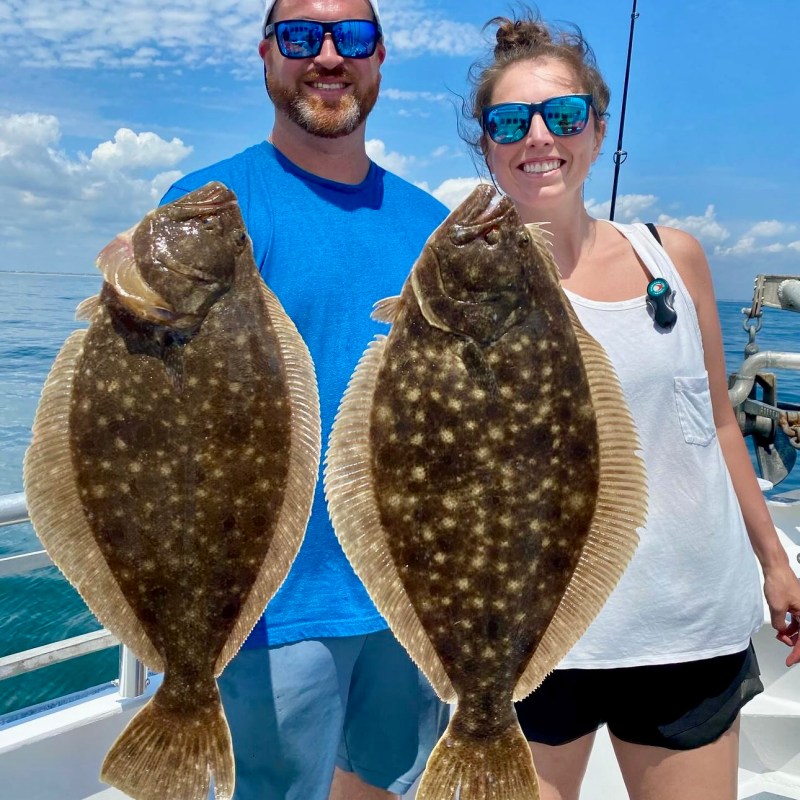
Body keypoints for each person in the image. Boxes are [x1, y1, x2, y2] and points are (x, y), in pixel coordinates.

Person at [461, 9, 800, 800]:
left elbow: (719, 422)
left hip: (686, 623)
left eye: (564, 115)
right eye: (511, 121)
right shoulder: (466, 290)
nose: (538, 137)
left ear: (597, 127)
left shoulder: (672, 255)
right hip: (529, 629)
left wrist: (774, 561)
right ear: (488, 144)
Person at [160, 1, 449, 798]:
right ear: (266, 56)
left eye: (351, 38)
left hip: (409, 592)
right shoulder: (208, 206)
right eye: (301, 37)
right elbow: (150, 418)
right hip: (266, 604)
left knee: (387, 786)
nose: (328, 55)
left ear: (380, 57)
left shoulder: (432, 229)